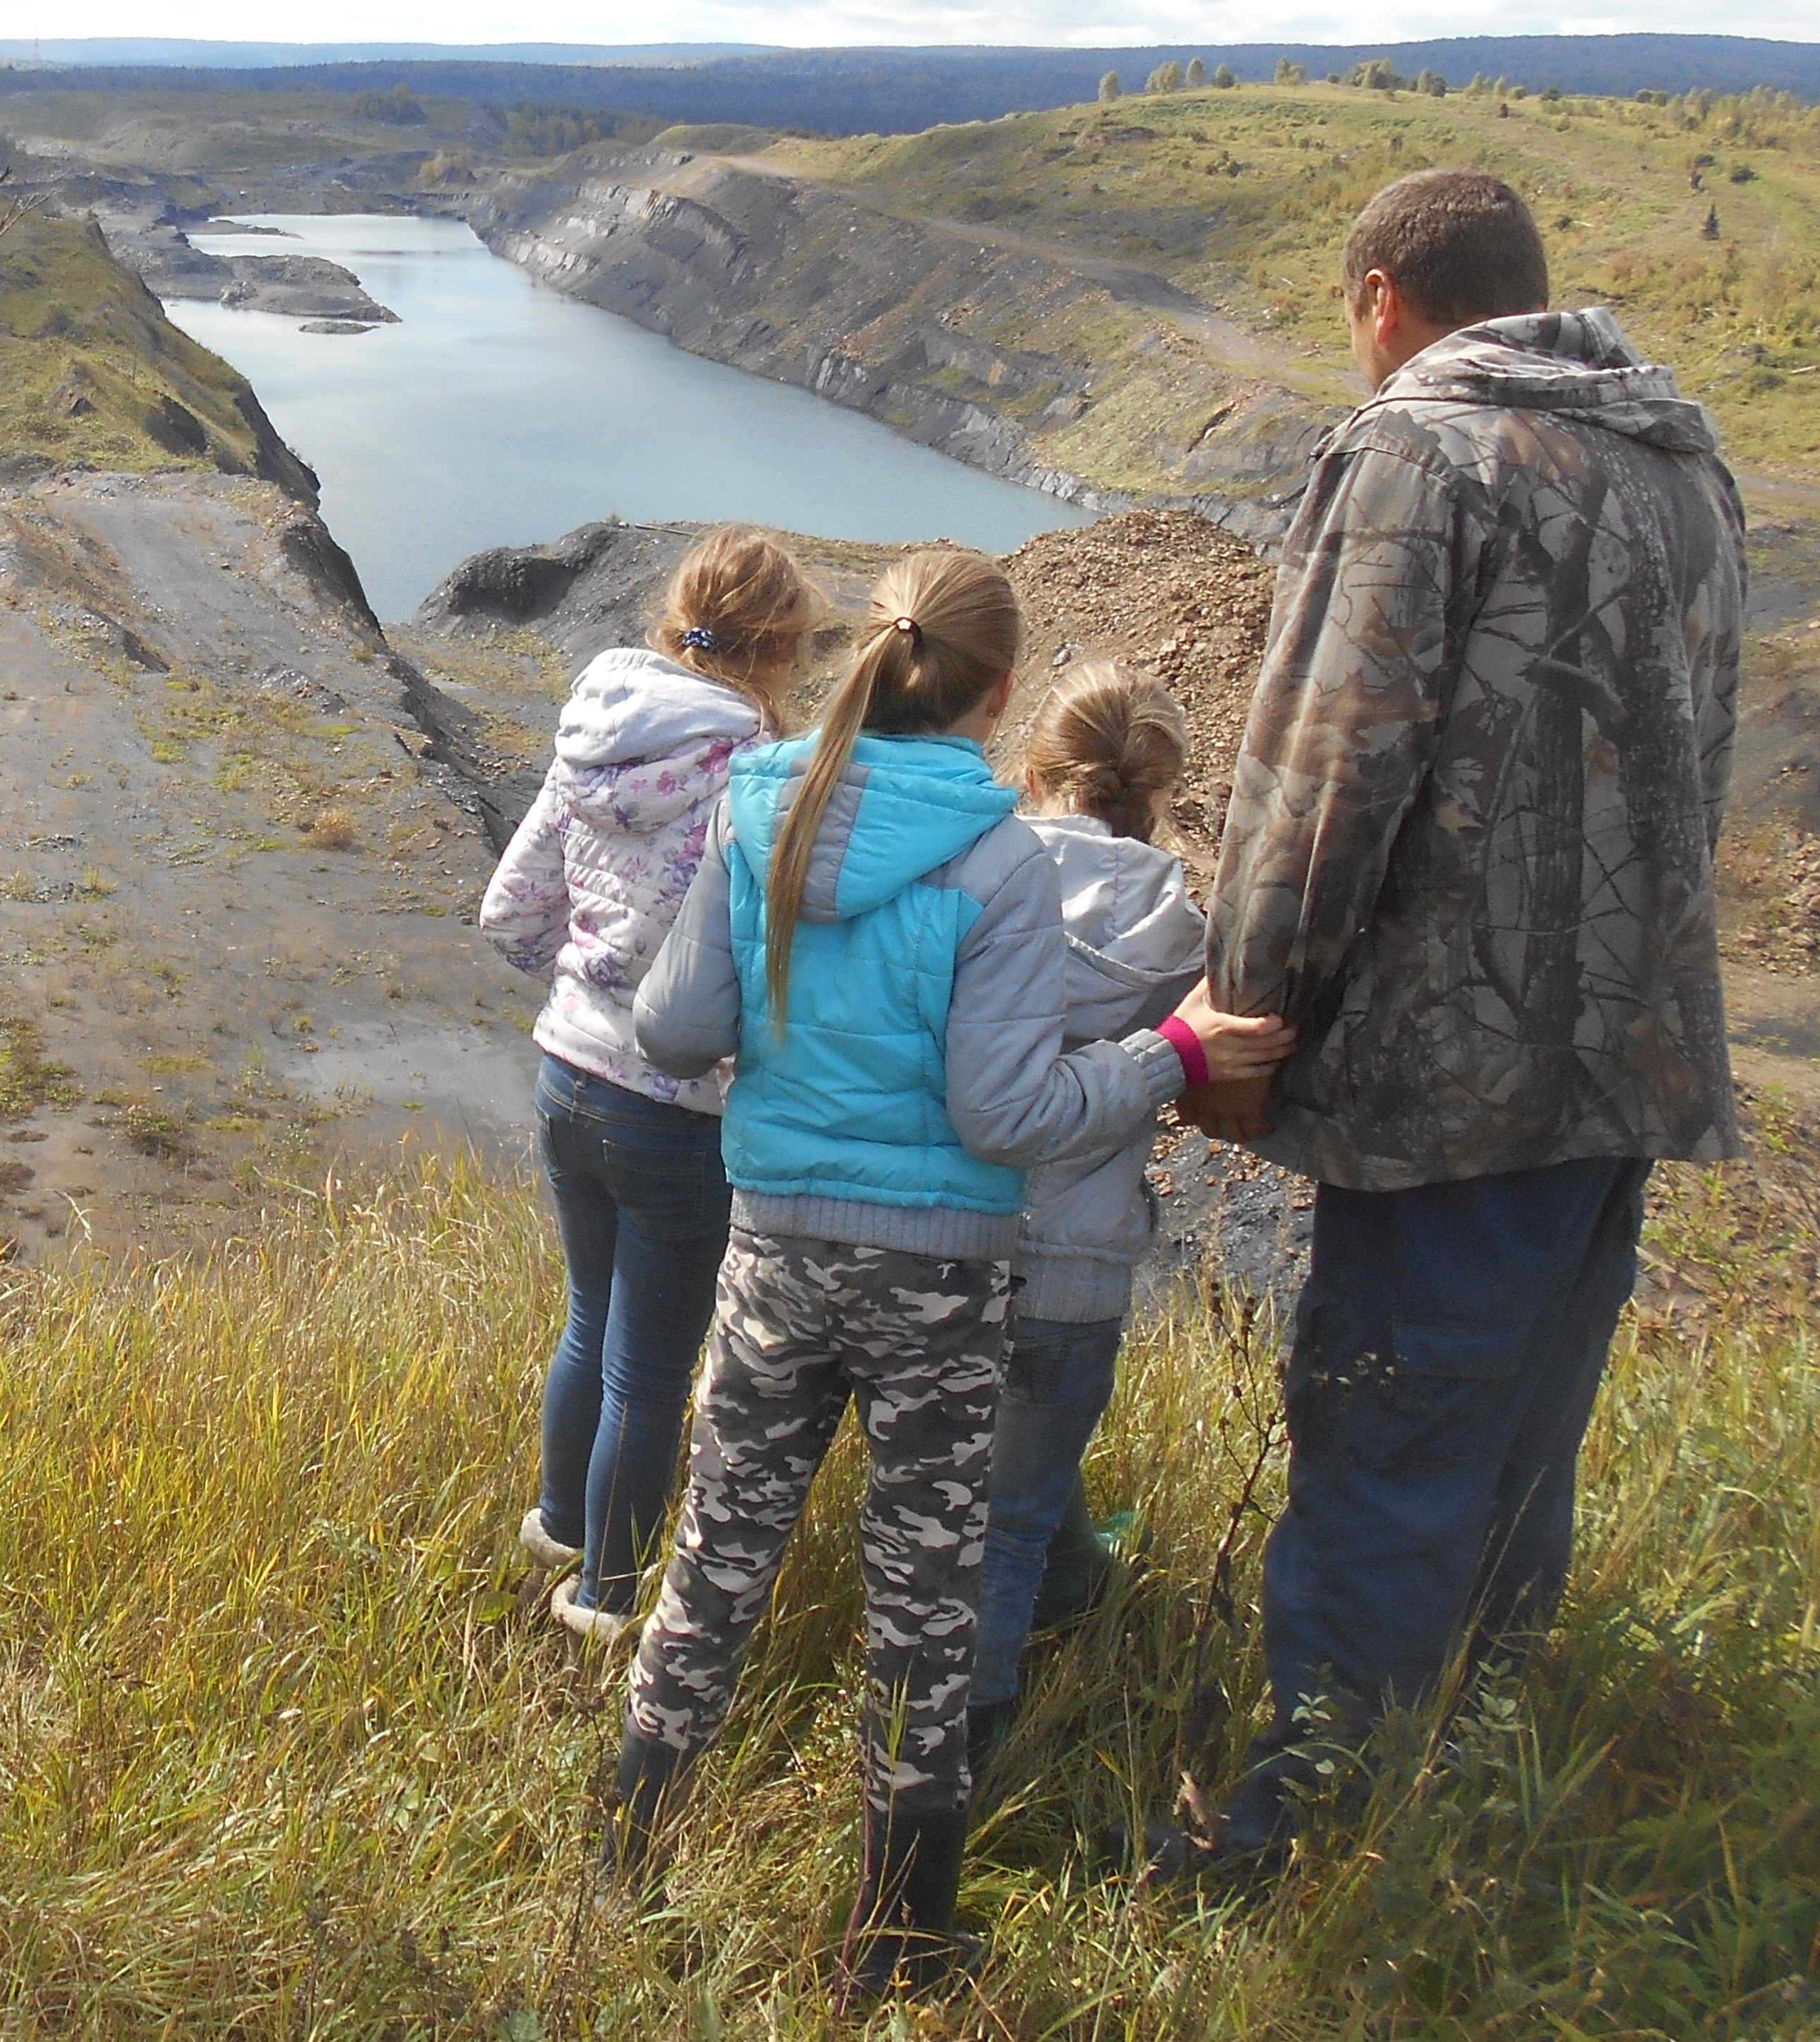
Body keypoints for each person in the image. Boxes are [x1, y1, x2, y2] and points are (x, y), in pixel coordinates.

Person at [1162, 168, 1747, 1885]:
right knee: (1512, 1445)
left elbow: (1324, 767)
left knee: (1389, 1438)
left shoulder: (1416, 455)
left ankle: (1309, 1833)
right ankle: (1466, 1783)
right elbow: (1693, 756)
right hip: (1622, 1059)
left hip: (1446, 1072)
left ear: (1376, 299)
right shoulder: (1679, 459)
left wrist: (1241, 1018)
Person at [604, 550, 1292, 2001]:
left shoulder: (761, 810)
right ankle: (896, 1935)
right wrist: (1164, 1059)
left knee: (719, 1554)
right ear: (994, 696)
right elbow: (1007, 1118)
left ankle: (625, 1860)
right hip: (936, 1279)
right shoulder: (991, 861)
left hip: (773, 1249)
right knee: (923, 1595)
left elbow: (670, 1034)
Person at [479, 524, 818, 1642]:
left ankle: (561, 1530)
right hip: (677, 1112)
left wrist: (588, 985)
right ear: (782, 649)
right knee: (654, 1375)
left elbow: (511, 912)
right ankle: (608, 1605)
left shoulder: (593, 745)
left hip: (565, 1075)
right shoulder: (759, 776)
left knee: (588, 1326)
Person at [967, 661, 1206, 1768]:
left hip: (951, 1240)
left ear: (1036, 762)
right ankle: (996, 1711)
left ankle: (954, 1746)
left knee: (951, 1513)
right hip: (1076, 1271)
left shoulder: (975, 873)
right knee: (1010, 1518)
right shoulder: (1185, 930)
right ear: (1153, 789)